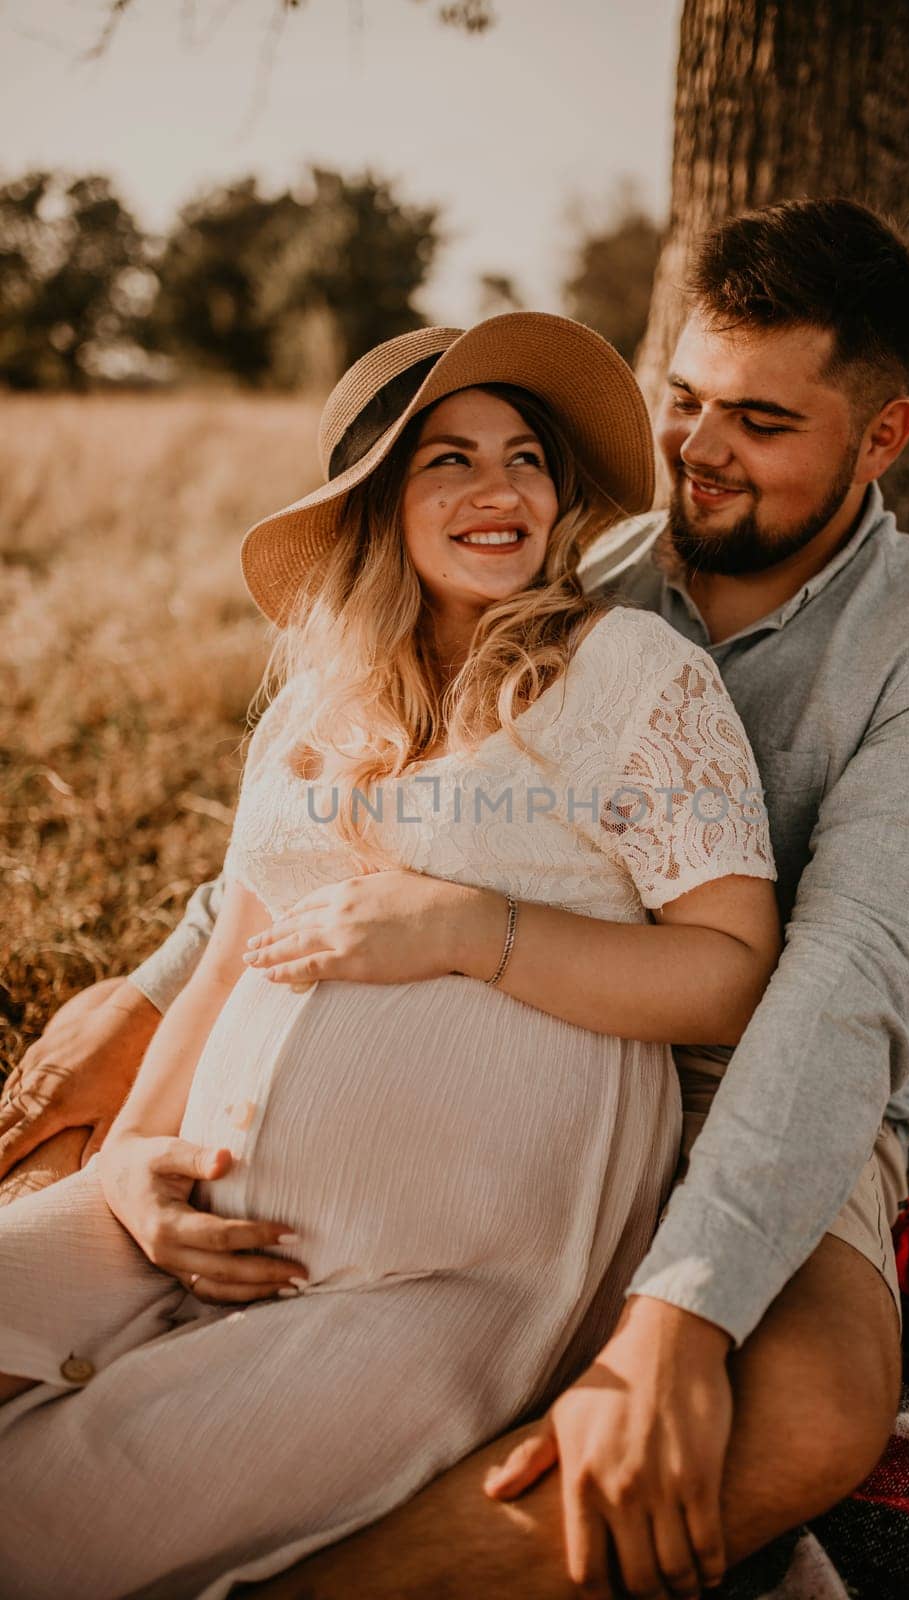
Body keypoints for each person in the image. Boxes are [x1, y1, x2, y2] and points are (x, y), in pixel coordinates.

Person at [0, 198, 909, 1599]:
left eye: (763, 423)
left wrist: (680, 1309)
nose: (699, 452)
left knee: (798, 1415)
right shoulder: (562, 564)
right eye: (682, 402)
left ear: (883, 436)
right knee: (56, 1169)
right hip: (425, 1101)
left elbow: (834, 994)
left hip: (756, 1083)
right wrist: (147, 1000)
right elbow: (332, 835)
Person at [0, 312, 783, 1598]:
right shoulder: (315, 709)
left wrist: (479, 931)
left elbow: (728, 965)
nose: (502, 488)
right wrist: (136, 1163)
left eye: (526, 455)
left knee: (41, 1528)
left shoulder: (632, 674)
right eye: (450, 460)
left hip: (426, 1288)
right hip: (169, 1228)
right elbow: (230, 959)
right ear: (377, 505)